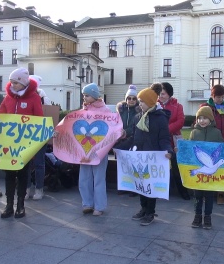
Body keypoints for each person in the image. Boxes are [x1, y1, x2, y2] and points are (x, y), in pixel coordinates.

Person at [116, 85, 173, 226]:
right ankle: (143, 208)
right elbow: (133, 137)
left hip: (153, 157)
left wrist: (168, 150)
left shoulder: (160, 119)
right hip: (139, 156)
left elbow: (164, 138)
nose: (139, 103)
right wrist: (119, 148)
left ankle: (150, 212)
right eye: (139, 101)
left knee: (150, 186)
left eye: (142, 101)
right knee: (140, 184)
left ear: (151, 102)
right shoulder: (137, 118)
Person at [0, 68, 43, 218]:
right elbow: (1, 116)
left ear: (24, 83)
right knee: (9, 174)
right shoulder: (8, 98)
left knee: (23, 174)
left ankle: (21, 205)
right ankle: (9, 205)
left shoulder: (34, 97)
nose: (13, 85)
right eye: (12, 82)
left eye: (16, 82)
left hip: (25, 143)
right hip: (9, 143)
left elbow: (38, 118)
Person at [74, 83, 111, 216]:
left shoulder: (105, 111)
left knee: (99, 178)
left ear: (95, 96)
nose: (84, 97)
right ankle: (87, 203)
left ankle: (99, 206)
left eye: (87, 95)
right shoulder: (83, 110)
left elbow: (111, 127)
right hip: (84, 149)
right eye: (84, 95)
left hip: (100, 150)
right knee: (84, 177)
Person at [200, 85, 224, 205]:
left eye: (222, 97)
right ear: (212, 96)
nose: (220, 99)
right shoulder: (205, 107)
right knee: (209, 167)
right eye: (218, 97)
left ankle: (221, 194)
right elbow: (199, 122)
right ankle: (207, 192)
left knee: (222, 168)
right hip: (210, 143)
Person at [189, 106, 224, 229]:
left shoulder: (216, 133)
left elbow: (223, 149)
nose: (202, 121)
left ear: (210, 119)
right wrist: (181, 151)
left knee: (209, 195)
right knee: (197, 194)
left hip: (210, 175)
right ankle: (197, 215)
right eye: (199, 118)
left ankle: (207, 216)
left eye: (205, 118)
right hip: (198, 171)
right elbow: (189, 149)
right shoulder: (194, 132)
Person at [152, 82, 190, 200]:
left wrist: (165, 130)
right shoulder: (154, 105)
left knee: (176, 167)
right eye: (159, 94)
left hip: (173, 140)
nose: (160, 96)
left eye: (163, 94)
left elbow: (180, 121)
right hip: (158, 141)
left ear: (169, 94)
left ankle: (183, 191)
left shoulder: (177, 106)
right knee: (159, 167)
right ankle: (159, 190)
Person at [25, 75, 51, 200]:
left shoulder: (42, 96)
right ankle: (26, 188)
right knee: (26, 163)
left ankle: (39, 189)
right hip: (25, 135)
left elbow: (48, 112)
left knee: (39, 163)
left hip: (40, 133)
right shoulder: (21, 97)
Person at [115, 84, 141, 197]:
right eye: (129, 98)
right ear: (126, 99)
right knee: (121, 165)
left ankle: (134, 188)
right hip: (120, 141)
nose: (131, 100)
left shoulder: (138, 111)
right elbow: (115, 123)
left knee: (133, 164)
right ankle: (124, 186)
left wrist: (126, 132)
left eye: (134, 98)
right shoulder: (121, 110)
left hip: (133, 140)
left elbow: (137, 125)